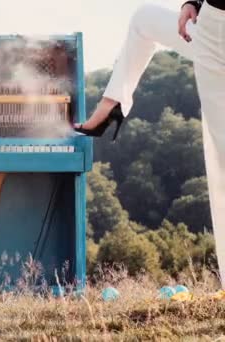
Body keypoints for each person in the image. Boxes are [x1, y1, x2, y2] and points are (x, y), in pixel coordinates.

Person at [74, 0, 225, 286]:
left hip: (214, 33)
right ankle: (111, 104)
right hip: (212, 27)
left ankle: (111, 107)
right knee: (144, 20)